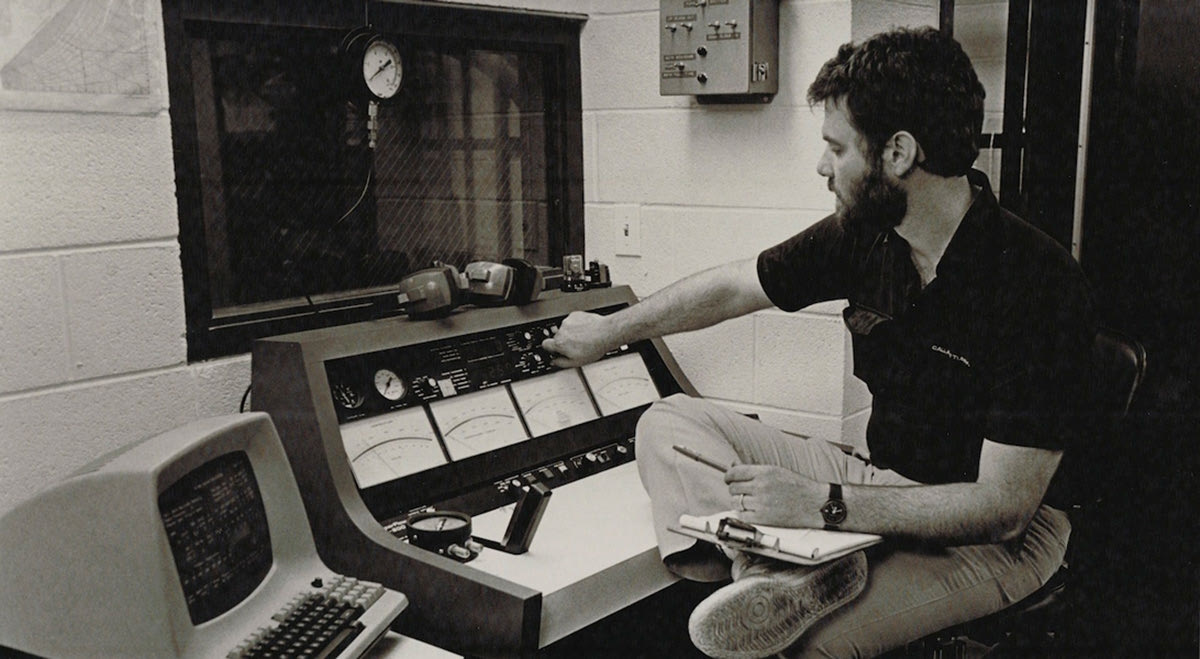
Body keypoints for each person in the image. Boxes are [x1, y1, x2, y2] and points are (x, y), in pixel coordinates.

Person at [541, 26, 1097, 659]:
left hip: (1000, 536)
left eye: (836, 147)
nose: (822, 166)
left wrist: (825, 507)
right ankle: (773, 571)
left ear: (898, 153)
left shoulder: (1039, 283)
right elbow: (733, 287)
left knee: (816, 645)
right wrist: (606, 331)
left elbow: (1002, 508)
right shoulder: (867, 236)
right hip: (876, 479)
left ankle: (791, 576)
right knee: (668, 422)